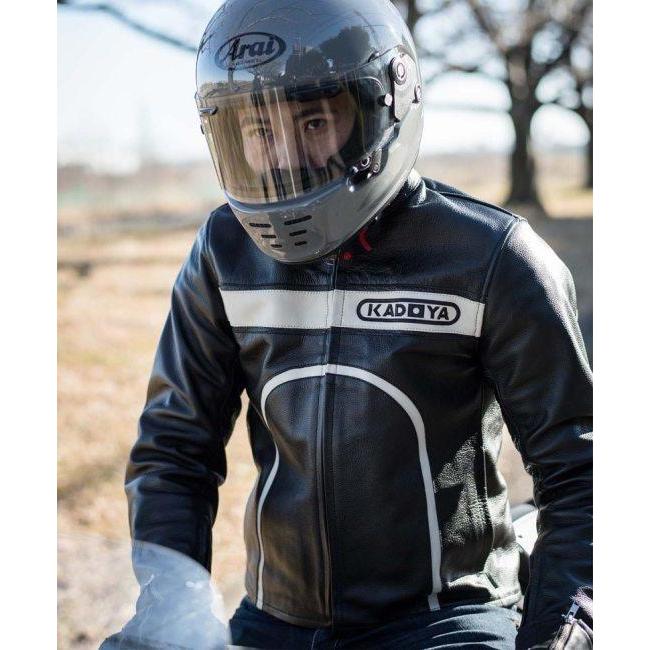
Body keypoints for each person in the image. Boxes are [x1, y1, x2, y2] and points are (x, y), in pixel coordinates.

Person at [107, 0, 593, 648]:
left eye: (314, 121)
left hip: (446, 618)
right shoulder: (224, 254)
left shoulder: (492, 258)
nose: (285, 157)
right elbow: (175, 450)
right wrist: (172, 606)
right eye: (259, 130)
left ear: (383, 103)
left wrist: (563, 629)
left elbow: (582, 473)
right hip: (275, 619)